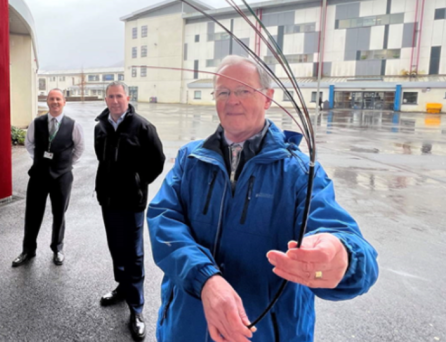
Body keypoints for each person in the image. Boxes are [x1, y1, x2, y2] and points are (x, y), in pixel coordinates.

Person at [147, 55, 379, 342]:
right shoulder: (190, 158)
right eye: (223, 92)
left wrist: (343, 256)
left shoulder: (299, 172)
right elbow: (163, 220)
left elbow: (343, 237)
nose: (232, 100)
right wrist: (205, 279)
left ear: (268, 98)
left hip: (265, 333)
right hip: (187, 328)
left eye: (244, 90)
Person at [94, 81, 165, 341]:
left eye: (119, 96)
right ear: (106, 99)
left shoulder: (143, 127)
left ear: (128, 97)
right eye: (111, 96)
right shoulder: (100, 126)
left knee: (133, 254)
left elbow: (157, 161)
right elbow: (101, 159)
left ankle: (136, 309)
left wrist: (138, 180)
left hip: (132, 202)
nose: (115, 101)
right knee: (116, 247)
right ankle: (122, 288)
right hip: (108, 200)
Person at [12, 89, 84, 267]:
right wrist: (38, 161)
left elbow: (79, 148)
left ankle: (57, 248)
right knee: (32, 214)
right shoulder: (37, 123)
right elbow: (29, 144)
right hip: (38, 175)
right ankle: (28, 250)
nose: (55, 102)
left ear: (64, 102)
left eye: (58, 99)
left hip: (62, 177)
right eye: (51, 99)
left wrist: (66, 164)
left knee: (59, 213)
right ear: (47, 101)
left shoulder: (73, 125)